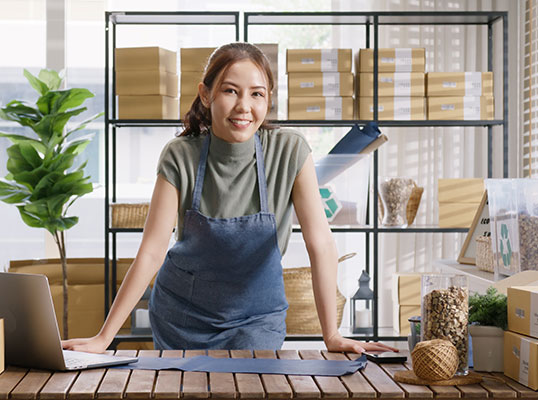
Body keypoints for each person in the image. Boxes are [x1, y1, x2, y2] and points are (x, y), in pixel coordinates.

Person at [62, 42, 398, 353]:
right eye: (230, 91)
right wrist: (104, 338)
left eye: (257, 94)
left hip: (256, 320)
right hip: (181, 317)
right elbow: (151, 252)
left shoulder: (289, 151)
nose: (244, 107)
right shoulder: (180, 155)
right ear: (206, 95)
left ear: (268, 100)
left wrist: (332, 335)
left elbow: (320, 243)